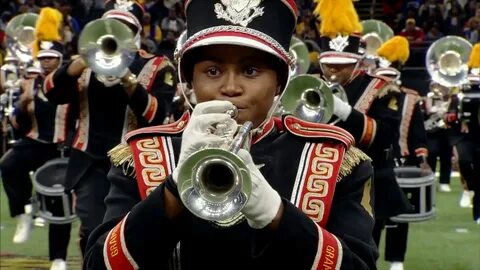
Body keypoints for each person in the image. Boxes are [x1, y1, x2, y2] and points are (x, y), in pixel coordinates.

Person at [83, 0, 378, 269]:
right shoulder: (142, 153)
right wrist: (171, 190)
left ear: (279, 83)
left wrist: (277, 214)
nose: (231, 87)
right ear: (190, 80)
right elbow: (98, 265)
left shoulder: (336, 158)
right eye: (212, 71)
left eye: (250, 71)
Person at [43, 0, 176, 256]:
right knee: (93, 231)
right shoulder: (85, 61)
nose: (116, 34)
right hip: (89, 161)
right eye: (112, 27)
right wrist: (76, 65)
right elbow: (51, 93)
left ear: (136, 33)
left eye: (125, 28)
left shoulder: (158, 65)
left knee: (130, 234)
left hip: (134, 163)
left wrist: (128, 80)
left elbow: (156, 115)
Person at [314, 0, 412, 230]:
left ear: (357, 62)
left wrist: (344, 111)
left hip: (367, 179)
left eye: (342, 65)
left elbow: (385, 135)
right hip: (322, 178)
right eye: (328, 65)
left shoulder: (381, 88)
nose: (333, 71)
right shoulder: (313, 84)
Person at [0, 8, 76, 270]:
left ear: (60, 59)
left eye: (51, 57)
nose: (45, 62)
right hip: (34, 142)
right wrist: (22, 105)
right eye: (42, 57)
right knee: (9, 165)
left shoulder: (73, 82)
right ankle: (23, 213)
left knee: (59, 203)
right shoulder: (29, 82)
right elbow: (19, 126)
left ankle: (59, 257)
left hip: (61, 147)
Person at [372, 36, 432, 270]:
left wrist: (423, 159)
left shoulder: (411, 97)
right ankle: (372, 257)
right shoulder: (370, 95)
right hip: (374, 161)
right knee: (372, 215)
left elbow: (418, 134)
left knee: (399, 214)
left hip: (401, 161)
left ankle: (396, 260)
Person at [446, 43, 480, 224]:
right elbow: (451, 112)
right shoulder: (461, 87)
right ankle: (470, 188)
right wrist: (452, 115)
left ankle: (477, 210)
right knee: (464, 161)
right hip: (463, 134)